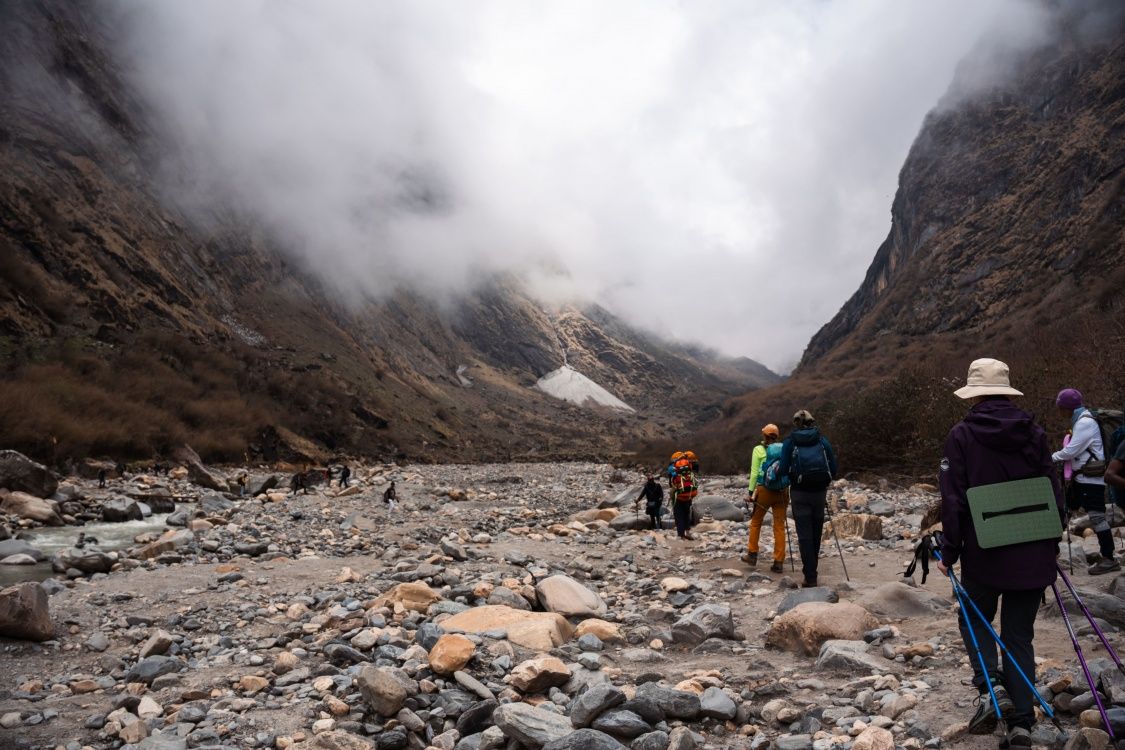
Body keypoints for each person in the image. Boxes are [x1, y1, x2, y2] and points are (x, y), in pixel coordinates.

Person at [937, 358, 1063, 744]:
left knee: (973, 618)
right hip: (1033, 550)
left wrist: (948, 552)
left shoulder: (961, 435)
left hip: (984, 553)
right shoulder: (1035, 433)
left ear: (974, 394)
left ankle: (992, 688)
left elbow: (953, 501)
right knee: (1019, 635)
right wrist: (1052, 543)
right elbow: (1054, 491)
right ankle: (1022, 723)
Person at [1051, 388, 1116, 574]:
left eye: (1061, 408)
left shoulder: (1085, 422)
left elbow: (1071, 451)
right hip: (1082, 479)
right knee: (1065, 511)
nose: (1060, 412)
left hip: (1090, 480)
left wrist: (1049, 458)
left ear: (1067, 408)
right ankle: (1051, 550)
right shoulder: (1082, 420)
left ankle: (1109, 558)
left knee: (1097, 518)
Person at [777, 410, 837, 587]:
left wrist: (787, 475)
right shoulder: (822, 441)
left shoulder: (790, 442)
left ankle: (810, 577)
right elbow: (833, 468)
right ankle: (812, 571)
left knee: (804, 535)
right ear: (812, 422)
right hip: (819, 493)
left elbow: (783, 469)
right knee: (816, 533)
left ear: (796, 423)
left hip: (799, 493)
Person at [743, 424, 787, 573]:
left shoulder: (758, 449)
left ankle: (752, 554)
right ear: (777, 436)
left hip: (764, 490)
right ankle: (778, 562)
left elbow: (755, 472)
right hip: (782, 491)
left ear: (764, 435)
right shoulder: (784, 449)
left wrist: (750, 492)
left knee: (756, 522)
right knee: (779, 525)